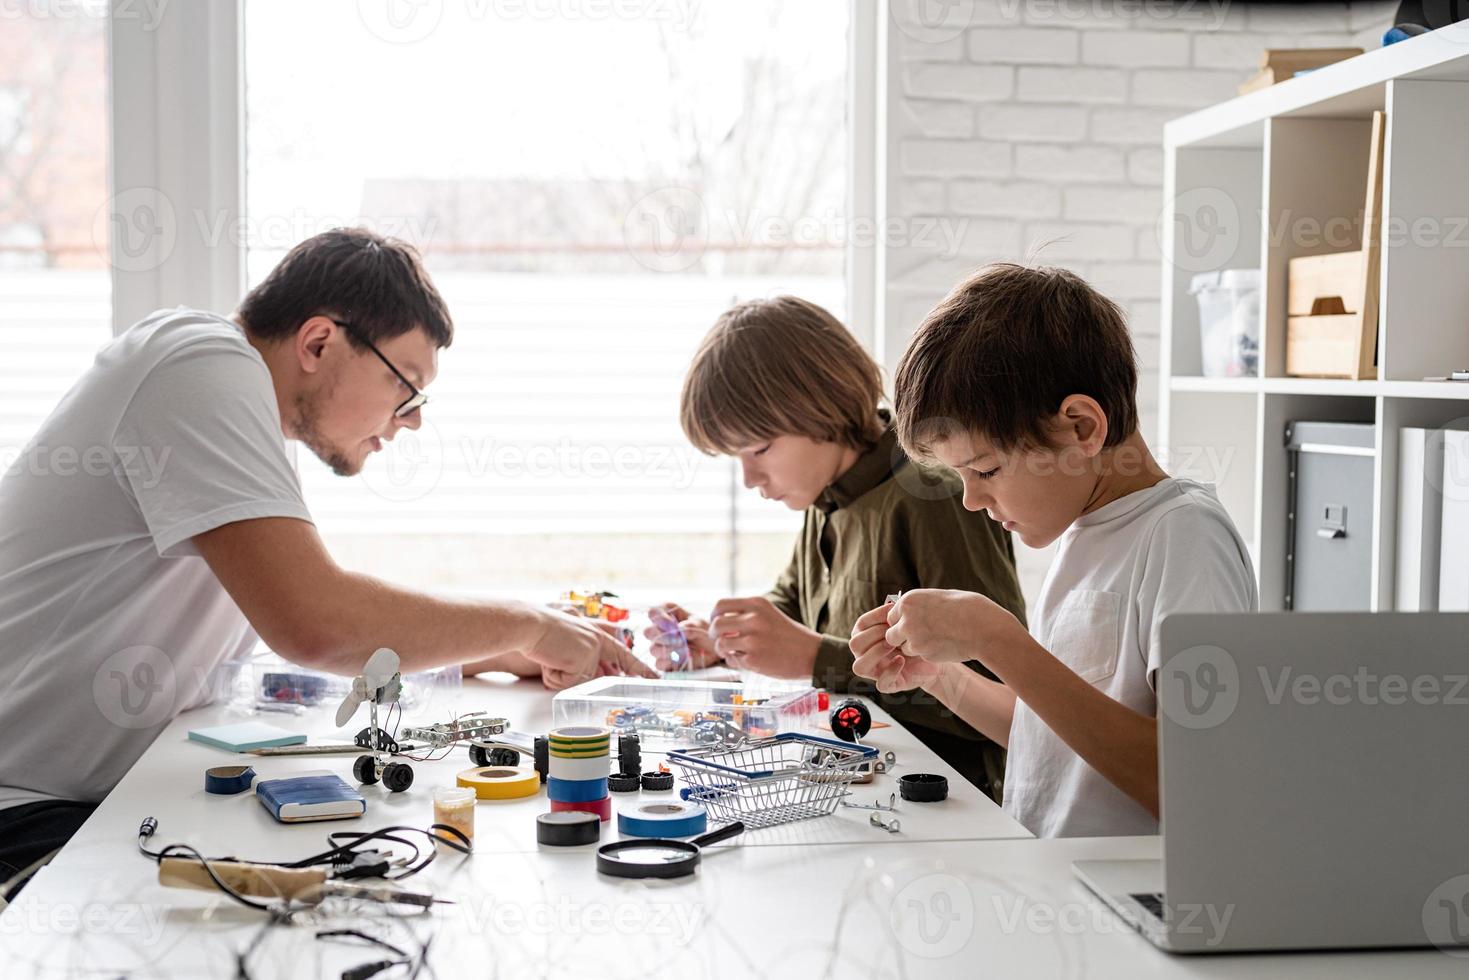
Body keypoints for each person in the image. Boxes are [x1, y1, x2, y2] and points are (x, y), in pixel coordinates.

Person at [0, 228, 651, 893]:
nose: (412, 421)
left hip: (89, 801)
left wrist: (488, 651)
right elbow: (317, 622)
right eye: (408, 387)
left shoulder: (243, 415)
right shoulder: (196, 363)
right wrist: (524, 625)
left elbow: (283, 644)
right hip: (23, 814)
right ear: (318, 342)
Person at [849, 262, 1257, 838]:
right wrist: (941, 677)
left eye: (985, 468)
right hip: (1060, 889)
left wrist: (999, 640)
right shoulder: (1086, 535)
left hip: (1126, 908)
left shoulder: (1183, 537)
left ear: (1082, 428)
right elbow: (1052, 739)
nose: (970, 499)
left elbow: (1195, 783)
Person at [651, 296, 1025, 798]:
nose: (749, 478)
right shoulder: (823, 491)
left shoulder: (933, 492)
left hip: (946, 801)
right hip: (851, 780)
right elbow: (792, 603)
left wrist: (813, 658)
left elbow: (1002, 693)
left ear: (819, 408)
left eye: (759, 449)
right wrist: (723, 639)